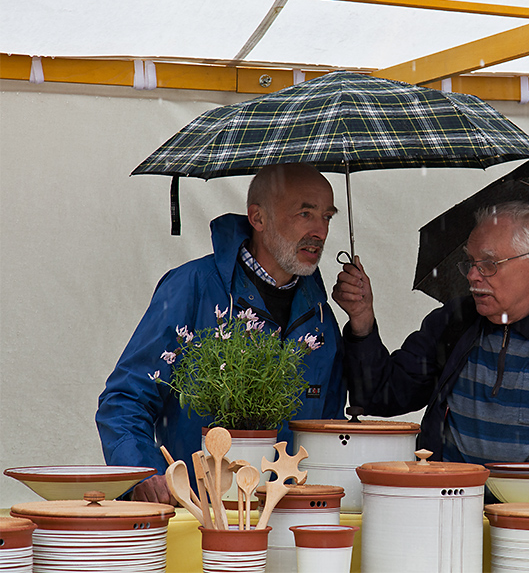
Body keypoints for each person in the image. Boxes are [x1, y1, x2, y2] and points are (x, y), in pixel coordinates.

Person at [332, 201, 529, 501]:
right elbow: (379, 395)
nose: (472, 275)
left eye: (489, 264)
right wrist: (361, 318)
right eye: (470, 263)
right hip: (447, 512)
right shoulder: (454, 323)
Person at [96, 163, 345, 504]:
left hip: (291, 521)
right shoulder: (192, 286)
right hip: (195, 518)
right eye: (305, 213)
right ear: (258, 219)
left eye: (327, 217)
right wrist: (145, 472)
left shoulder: (320, 315)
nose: (320, 231)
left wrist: (362, 323)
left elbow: (331, 430)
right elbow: (124, 401)